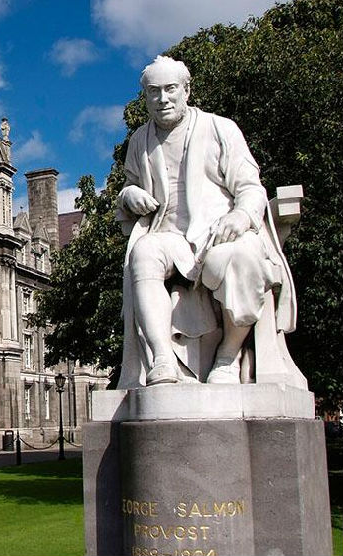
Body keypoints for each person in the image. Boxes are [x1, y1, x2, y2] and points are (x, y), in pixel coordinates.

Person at [115, 56, 296, 388]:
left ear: (186, 90)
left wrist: (241, 215)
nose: (162, 98)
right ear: (146, 97)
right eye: (154, 91)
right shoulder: (140, 140)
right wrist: (130, 195)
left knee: (238, 258)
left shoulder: (220, 128)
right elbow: (129, 186)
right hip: (169, 235)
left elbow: (250, 187)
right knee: (143, 253)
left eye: (170, 89)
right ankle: (163, 360)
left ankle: (228, 355)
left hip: (221, 230)